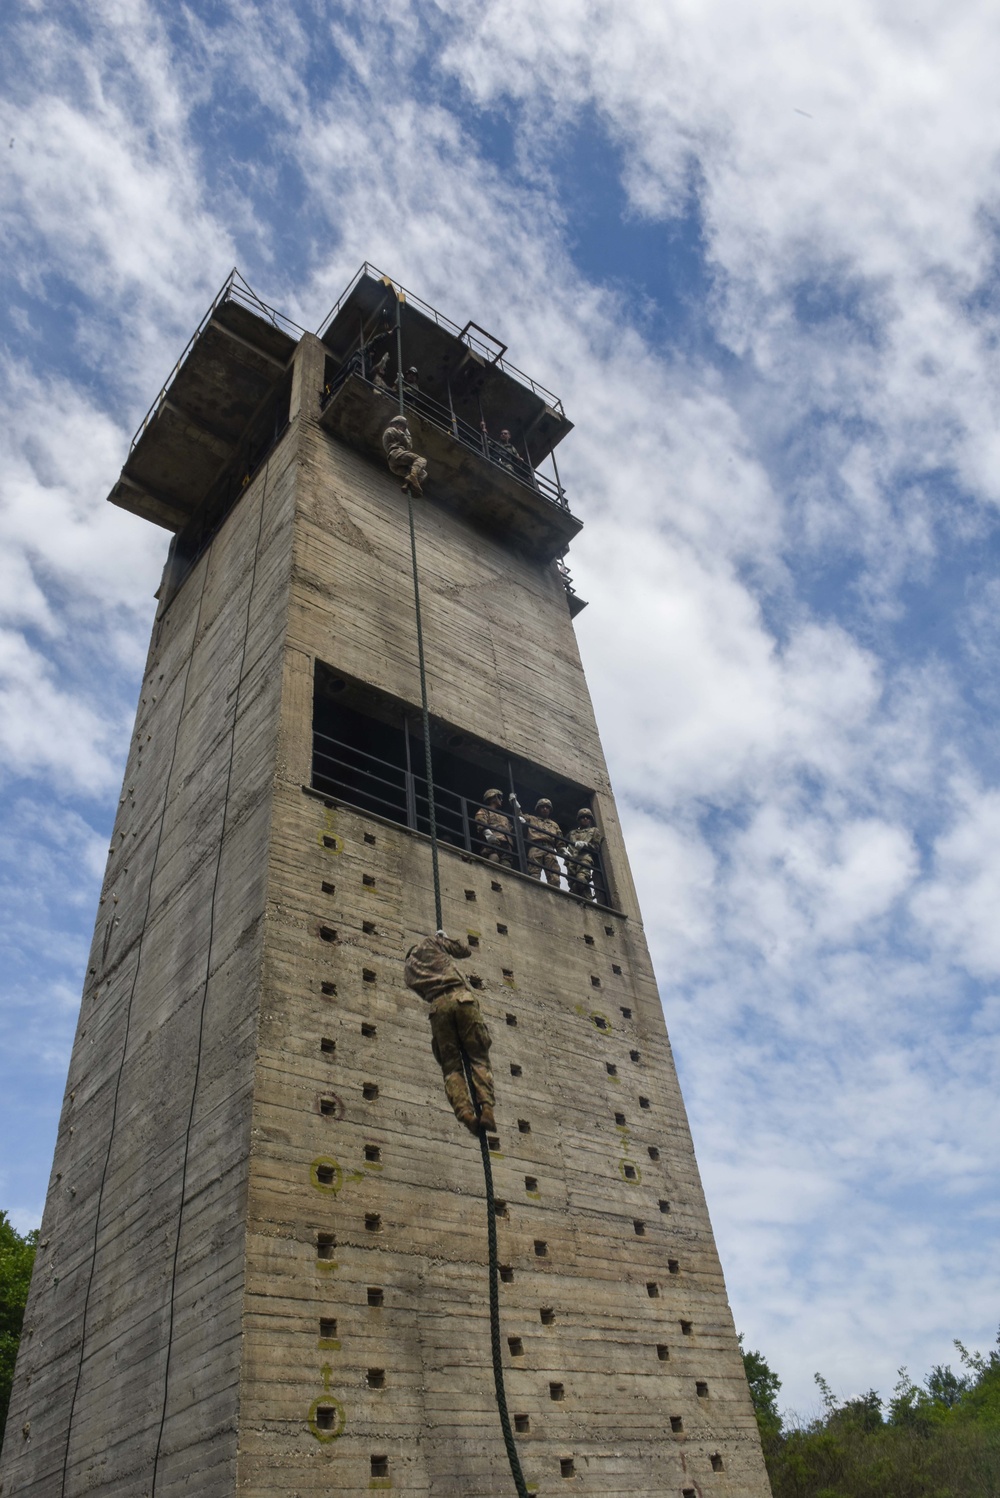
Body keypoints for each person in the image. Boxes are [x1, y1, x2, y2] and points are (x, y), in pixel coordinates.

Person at [404, 930, 496, 1134]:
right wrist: (444, 938)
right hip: (462, 1000)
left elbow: (422, 993)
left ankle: (465, 1112)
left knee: (451, 1068)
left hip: (438, 1010)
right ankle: (487, 1108)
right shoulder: (430, 943)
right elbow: (464, 951)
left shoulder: (408, 972)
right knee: (478, 1057)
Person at [516, 795, 564, 887]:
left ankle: (555, 895)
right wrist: (515, 803)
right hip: (536, 847)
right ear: (538, 809)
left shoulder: (554, 825)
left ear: (550, 810)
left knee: (554, 877)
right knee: (534, 873)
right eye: (542, 807)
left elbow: (559, 840)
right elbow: (519, 815)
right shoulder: (532, 819)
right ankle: (534, 892)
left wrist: (562, 849)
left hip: (550, 849)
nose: (545, 809)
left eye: (547, 807)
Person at [382, 414, 428, 497]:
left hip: (394, 464)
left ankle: (409, 484)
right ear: (394, 424)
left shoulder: (393, 432)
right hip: (396, 454)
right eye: (400, 425)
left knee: (423, 473)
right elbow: (408, 445)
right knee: (421, 460)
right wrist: (407, 434)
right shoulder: (392, 430)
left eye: (403, 427)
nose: (402, 428)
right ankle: (412, 476)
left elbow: (408, 446)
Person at [566, 807, 601, 898]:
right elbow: (561, 843)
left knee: (581, 880)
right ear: (579, 819)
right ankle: (586, 900)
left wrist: (586, 845)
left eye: (588, 817)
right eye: (583, 817)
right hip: (571, 861)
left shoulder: (594, 831)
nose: (585, 819)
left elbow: (596, 847)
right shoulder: (572, 833)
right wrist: (563, 850)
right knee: (573, 885)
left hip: (584, 859)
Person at [474, 788, 514, 866]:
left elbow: (511, 829)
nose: (501, 800)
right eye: (499, 797)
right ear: (493, 797)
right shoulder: (485, 810)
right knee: (494, 858)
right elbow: (480, 821)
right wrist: (489, 835)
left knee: (506, 864)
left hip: (506, 843)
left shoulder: (504, 816)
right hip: (494, 840)